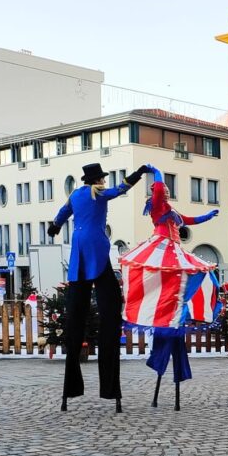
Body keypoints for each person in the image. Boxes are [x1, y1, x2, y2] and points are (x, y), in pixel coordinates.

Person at [48, 162, 154, 412]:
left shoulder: (75, 194)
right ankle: (110, 389)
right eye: (102, 179)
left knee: (76, 309)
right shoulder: (98, 193)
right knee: (110, 302)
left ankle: (70, 390)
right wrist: (138, 174)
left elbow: (62, 213)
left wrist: (55, 226)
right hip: (95, 245)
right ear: (97, 179)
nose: (104, 182)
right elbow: (120, 188)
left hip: (78, 248)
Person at [119, 167, 221, 397]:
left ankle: (178, 315)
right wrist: (156, 174)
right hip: (161, 244)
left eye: (165, 188)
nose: (164, 190)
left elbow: (188, 221)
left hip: (174, 248)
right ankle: (163, 315)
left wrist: (208, 216)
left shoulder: (170, 209)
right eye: (162, 188)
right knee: (162, 281)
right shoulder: (156, 206)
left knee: (202, 274)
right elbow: (156, 190)